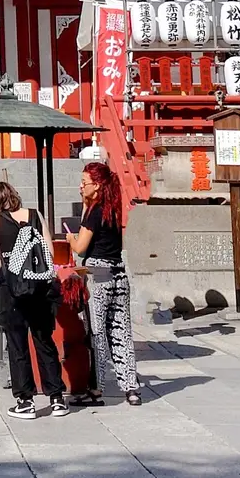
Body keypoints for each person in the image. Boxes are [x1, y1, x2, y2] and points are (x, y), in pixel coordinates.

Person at [0, 181, 68, 419]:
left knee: (17, 344)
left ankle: (25, 401)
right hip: (39, 288)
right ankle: (57, 399)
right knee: (44, 340)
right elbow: (49, 253)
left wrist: (11, 270)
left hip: (11, 290)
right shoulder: (35, 215)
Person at [66, 160, 141, 406]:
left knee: (97, 334)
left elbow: (80, 247)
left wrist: (70, 238)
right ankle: (131, 388)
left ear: (96, 186)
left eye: (84, 182)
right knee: (121, 332)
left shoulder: (95, 211)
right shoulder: (113, 210)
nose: (81, 187)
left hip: (98, 277)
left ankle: (96, 389)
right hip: (119, 275)